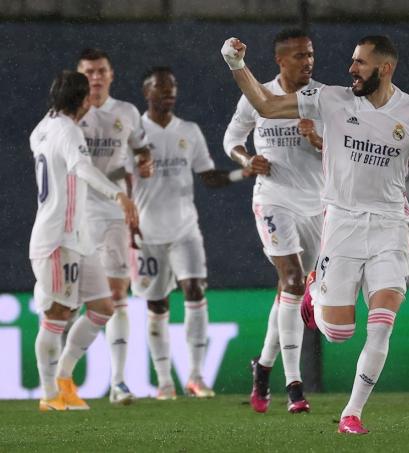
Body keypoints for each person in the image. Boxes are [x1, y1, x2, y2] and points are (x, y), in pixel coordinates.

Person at [221, 34, 409, 434]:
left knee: (383, 320)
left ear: (385, 68)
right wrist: (236, 64)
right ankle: (314, 288)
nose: (351, 69)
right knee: (338, 332)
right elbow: (266, 105)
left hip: (391, 226)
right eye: (352, 61)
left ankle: (351, 413)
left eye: (360, 63)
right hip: (340, 223)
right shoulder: (332, 99)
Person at [131, 66, 249, 400]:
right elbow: (120, 178)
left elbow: (208, 176)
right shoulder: (134, 132)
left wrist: (242, 174)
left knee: (195, 290)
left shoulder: (190, 131)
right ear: (147, 93)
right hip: (147, 234)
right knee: (157, 305)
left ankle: (196, 376)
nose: (169, 92)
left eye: (173, 87)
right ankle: (165, 381)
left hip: (185, 230)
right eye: (161, 88)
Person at [223, 28, 323, 414]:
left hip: (316, 205)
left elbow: (343, 151)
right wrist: (246, 160)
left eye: (311, 55)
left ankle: (262, 367)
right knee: (295, 282)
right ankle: (294, 386)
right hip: (273, 198)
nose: (308, 62)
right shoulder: (257, 96)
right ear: (281, 60)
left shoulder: (322, 98)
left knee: (289, 291)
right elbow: (232, 139)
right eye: (299, 56)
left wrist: (319, 141)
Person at [30, 71, 139, 411]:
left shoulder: (41, 129)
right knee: (58, 312)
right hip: (58, 237)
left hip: (78, 236)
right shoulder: (67, 129)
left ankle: (63, 376)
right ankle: (49, 394)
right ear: (83, 101)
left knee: (103, 307)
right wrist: (118, 196)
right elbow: (82, 168)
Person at [76, 48, 153, 405]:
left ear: (111, 74)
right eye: (89, 71)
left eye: (101, 70)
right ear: (80, 76)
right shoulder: (68, 116)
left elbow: (141, 150)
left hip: (113, 213)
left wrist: (144, 162)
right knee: (74, 298)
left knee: (119, 293)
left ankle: (119, 382)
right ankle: (61, 378)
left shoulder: (127, 112)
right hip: (75, 213)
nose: (95, 77)